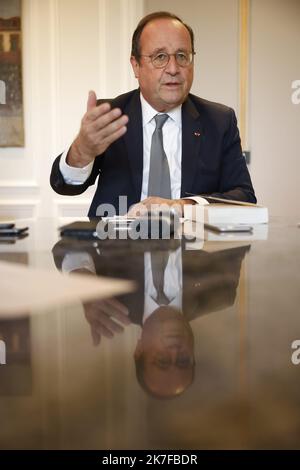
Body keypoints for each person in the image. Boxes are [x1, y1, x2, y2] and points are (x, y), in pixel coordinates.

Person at [50, 11, 256, 217]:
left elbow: (244, 197)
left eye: (182, 56)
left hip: (191, 245)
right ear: (136, 66)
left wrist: (181, 206)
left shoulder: (219, 121)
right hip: (116, 244)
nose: (173, 68)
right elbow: (65, 186)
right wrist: (82, 150)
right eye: (160, 57)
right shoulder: (111, 116)